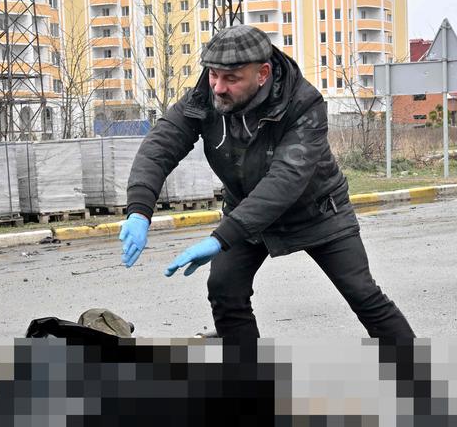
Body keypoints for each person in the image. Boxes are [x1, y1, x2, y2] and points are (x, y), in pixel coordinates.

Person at [118, 25, 413, 340]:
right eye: (213, 75)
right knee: (224, 289)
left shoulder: (303, 104)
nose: (218, 87)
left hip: (318, 212)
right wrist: (139, 210)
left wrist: (220, 239)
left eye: (231, 79)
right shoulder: (204, 99)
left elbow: (285, 180)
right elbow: (159, 148)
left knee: (362, 293)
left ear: (263, 73)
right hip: (247, 213)